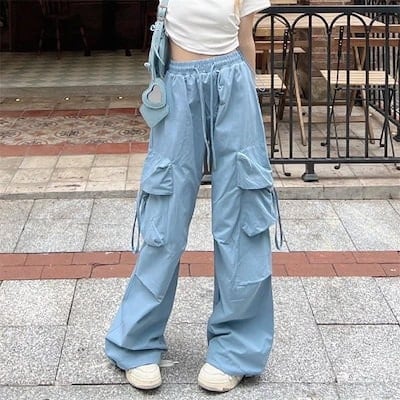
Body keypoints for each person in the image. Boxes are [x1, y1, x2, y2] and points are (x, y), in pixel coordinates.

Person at [105, 0, 279, 393]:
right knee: (163, 216)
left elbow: (245, 39)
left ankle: (236, 348)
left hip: (233, 84)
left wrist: (249, 105)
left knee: (243, 214)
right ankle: (137, 341)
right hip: (178, 87)